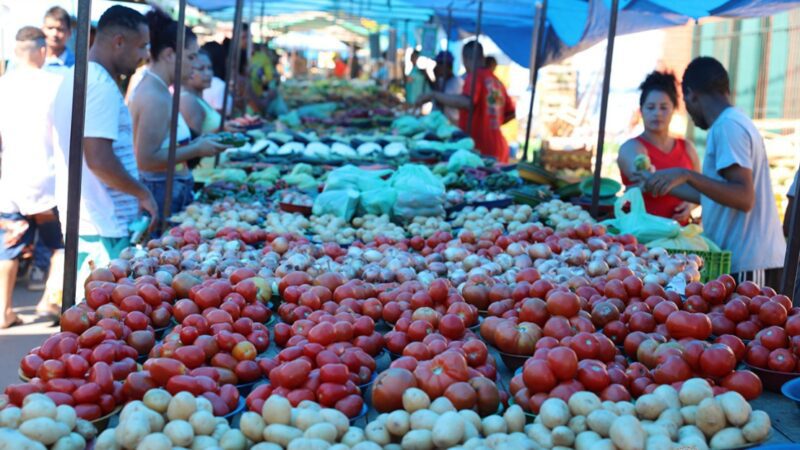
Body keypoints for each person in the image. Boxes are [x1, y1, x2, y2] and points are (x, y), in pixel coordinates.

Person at [644, 56, 786, 284]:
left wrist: (687, 174)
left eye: (685, 101)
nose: (688, 110)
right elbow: (715, 196)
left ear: (691, 94)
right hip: (745, 261)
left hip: (752, 264)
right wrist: (666, 184)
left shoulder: (728, 126)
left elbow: (743, 197)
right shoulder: (731, 122)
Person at [50, 5, 159, 291]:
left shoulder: (81, 76)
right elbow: (99, 159)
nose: (145, 55)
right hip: (103, 227)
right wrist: (142, 192)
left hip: (94, 222)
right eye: (142, 46)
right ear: (119, 42)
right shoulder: (99, 86)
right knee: (101, 318)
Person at [128, 9, 227, 221]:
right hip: (161, 194)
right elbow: (145, 159)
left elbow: (164, 146)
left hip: (168, 191)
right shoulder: (154, 95)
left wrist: (199, 141)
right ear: (169, 55)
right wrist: (197, 148)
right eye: (190, 57)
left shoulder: (160, 89)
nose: (194, 65)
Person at [0, 27, 65, 326]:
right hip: (48, 179)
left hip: (12, 178)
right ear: (41, 51)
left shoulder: (3, 85)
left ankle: (3, 310)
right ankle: (49, 304)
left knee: (8, 245)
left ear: (16, 52)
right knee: (60, 244)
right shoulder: (56, 84)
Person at [618, 71, 700, 225]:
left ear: (674, 109)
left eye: (664, 107)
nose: (657, 113)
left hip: (680, 236)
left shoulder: (687, 147)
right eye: (650, 107)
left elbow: (700, 190)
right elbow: (643, 177)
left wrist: (690, 204)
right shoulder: (632, 148)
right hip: (640, 237)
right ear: (641, 111)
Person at [416, 41, 515, 163]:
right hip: (498, 147)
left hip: (480, 148)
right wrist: (489, 123)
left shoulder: (474, 76)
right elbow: (511, 113)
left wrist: (434, 95)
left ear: (465, 58)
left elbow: (466, 102)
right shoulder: (497, 82)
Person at [180, 50, 222, 136]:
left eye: (210, 68)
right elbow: (193, 142)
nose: (208, 73)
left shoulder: (197, 98)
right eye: (201, 69)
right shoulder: (188, 101)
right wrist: (221, 129)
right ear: (188, 70)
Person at [429, 51, 463, 124]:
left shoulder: (456, 83)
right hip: (438, 122)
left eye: (438, 64)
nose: (436, 67)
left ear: (446, 66)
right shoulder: (442, 80)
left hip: (450, 123)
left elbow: (441, 101)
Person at [42, 6, 75, 72]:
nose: (54, 34)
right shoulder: (30, 62)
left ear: (69, 33)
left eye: (60, 29)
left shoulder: (76, 66)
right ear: (42, 29)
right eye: (50, 28)